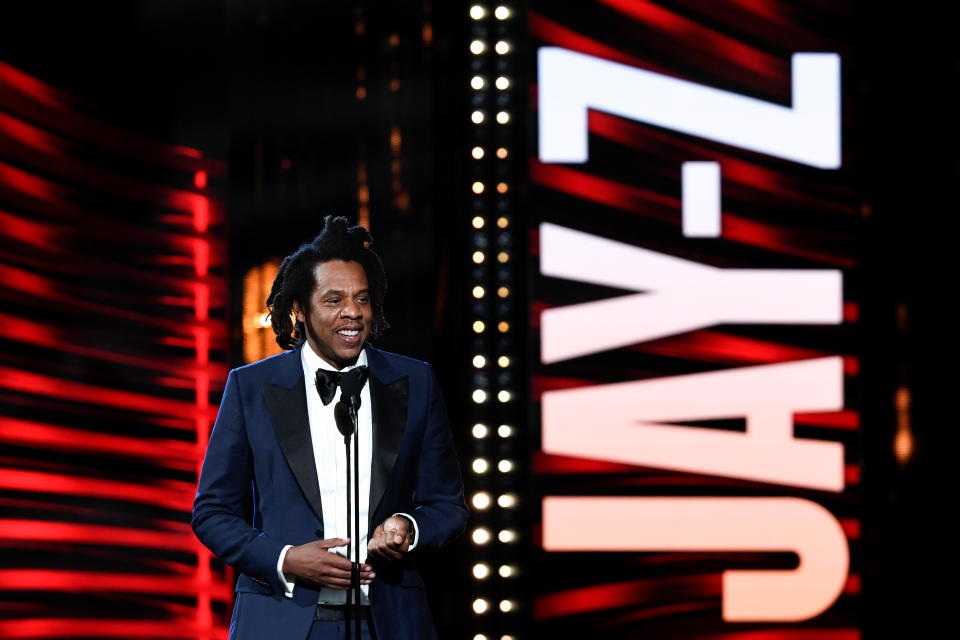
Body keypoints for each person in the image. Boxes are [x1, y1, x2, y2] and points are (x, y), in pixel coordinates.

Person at [192, 216, 468, 640]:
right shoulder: (250, 388)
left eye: (362, 298)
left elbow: (447, 505)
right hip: (281, 621)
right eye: (334, 300)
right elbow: (212, 513)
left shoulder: (415, 382)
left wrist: (407, 528)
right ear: (299, 310)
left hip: (390, 621)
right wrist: (285, 558)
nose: (352, 312)